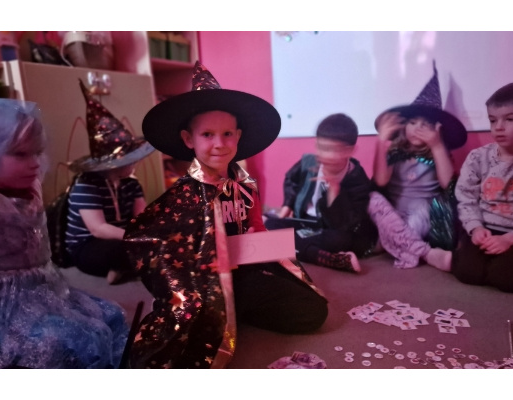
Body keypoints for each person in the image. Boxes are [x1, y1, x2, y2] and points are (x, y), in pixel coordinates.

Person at [124, 61, 328, 369]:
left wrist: (266, 248)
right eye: (207, 134)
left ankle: (232, 314)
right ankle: (222, 317)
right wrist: (200, 267)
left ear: (238, 136)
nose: (219, 144)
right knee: (186, 348)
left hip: (243, 275)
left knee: (313, 310)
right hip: (203, 287)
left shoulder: (245, 186)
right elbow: (147, 241)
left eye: (227, 133)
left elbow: (256, 229)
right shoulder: (183, 196)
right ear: (189, 139)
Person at [0, 97, 129, 368]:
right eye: (20, 154)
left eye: (37, 153)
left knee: (110, 316)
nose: (35, 163)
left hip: (45, 287)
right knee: (60, 342)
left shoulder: (32, 185)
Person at [450, 82, 513, 292]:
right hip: (485, 227)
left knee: (509, 280)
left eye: (509, 119)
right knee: (467, 273)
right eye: (493, 120)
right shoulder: (478, 157)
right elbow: (466, 197)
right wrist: (475, 228)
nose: (499, 127)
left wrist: (510, 239)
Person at [370, 62, 467, 269]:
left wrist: (436, 145)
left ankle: (393, 242)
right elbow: (380, 181)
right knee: (372, 198)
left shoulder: (438, 153)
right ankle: (419, 250)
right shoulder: (395, 152)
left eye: (425, 125)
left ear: (437, 130)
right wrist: (381, 141)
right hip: (394, 214)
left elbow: (447, 184)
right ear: (404, 126)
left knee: (427, 207)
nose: (417, 129)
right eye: (413, 123)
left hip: (422, 216)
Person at [64, 80, 154, 284]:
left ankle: (125, 268)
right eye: (130, 160)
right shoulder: (87, 184)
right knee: (122, 250)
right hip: (90, 244)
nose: (135, 163)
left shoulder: (131, 184)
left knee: (162, 241)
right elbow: (98, 229)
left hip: (122, 237)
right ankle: (127, 266)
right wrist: (137, 239)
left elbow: (141, 217)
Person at [264, 113, 378, 273]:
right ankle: (322, 257)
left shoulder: (358, 179)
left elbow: (347, 223)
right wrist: (286, 206)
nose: (326, 155)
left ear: (351, 150)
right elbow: (291, 180)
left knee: (339, 240)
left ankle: (297, 248)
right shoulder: (309, 163)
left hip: (330, 229)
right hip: (306, 222)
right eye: (322, 148)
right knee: (270, 225)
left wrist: (334, 192)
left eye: (334, 150)